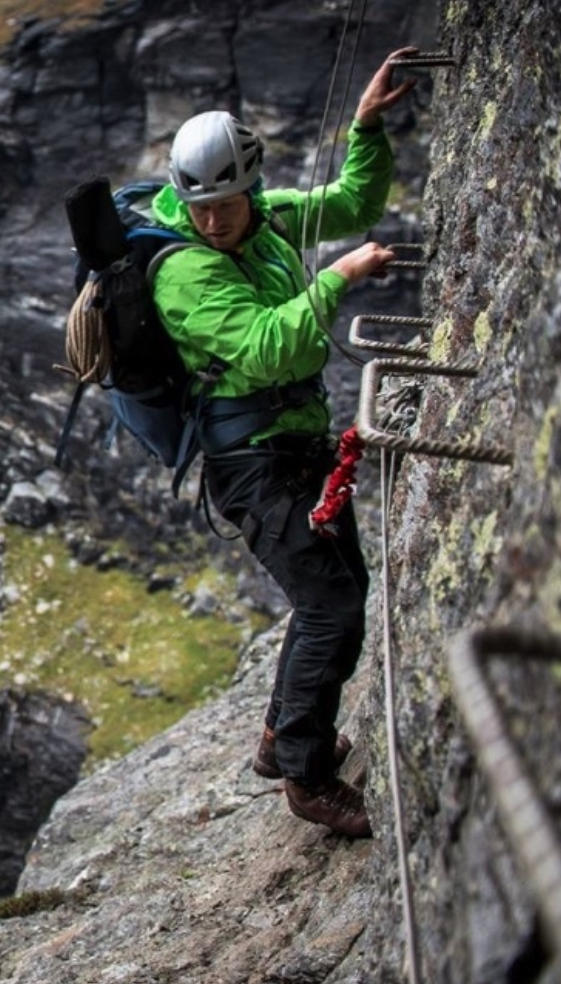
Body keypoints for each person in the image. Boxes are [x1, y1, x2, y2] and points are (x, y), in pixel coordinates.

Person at [149, 48, 420, 839]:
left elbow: (353, 202)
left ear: (249, 186)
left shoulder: (265, 220)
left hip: (293, 450)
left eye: (226, 203)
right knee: (331, 605)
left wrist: (365, 127)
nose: (213, 220)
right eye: (198, 206)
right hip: (253, 466)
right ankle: (305, 774)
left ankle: (280, 737)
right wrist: (338, 279)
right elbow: (269, 347)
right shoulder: (182, 276)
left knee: (340, 590)